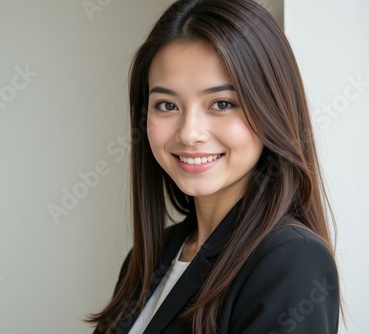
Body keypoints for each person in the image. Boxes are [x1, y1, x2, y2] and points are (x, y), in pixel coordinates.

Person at [87, 0, 341, 333]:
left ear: (272, 111)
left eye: (221, 103)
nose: (190, 133)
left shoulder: (291, 260)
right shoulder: (150, 258)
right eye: (166, 105)